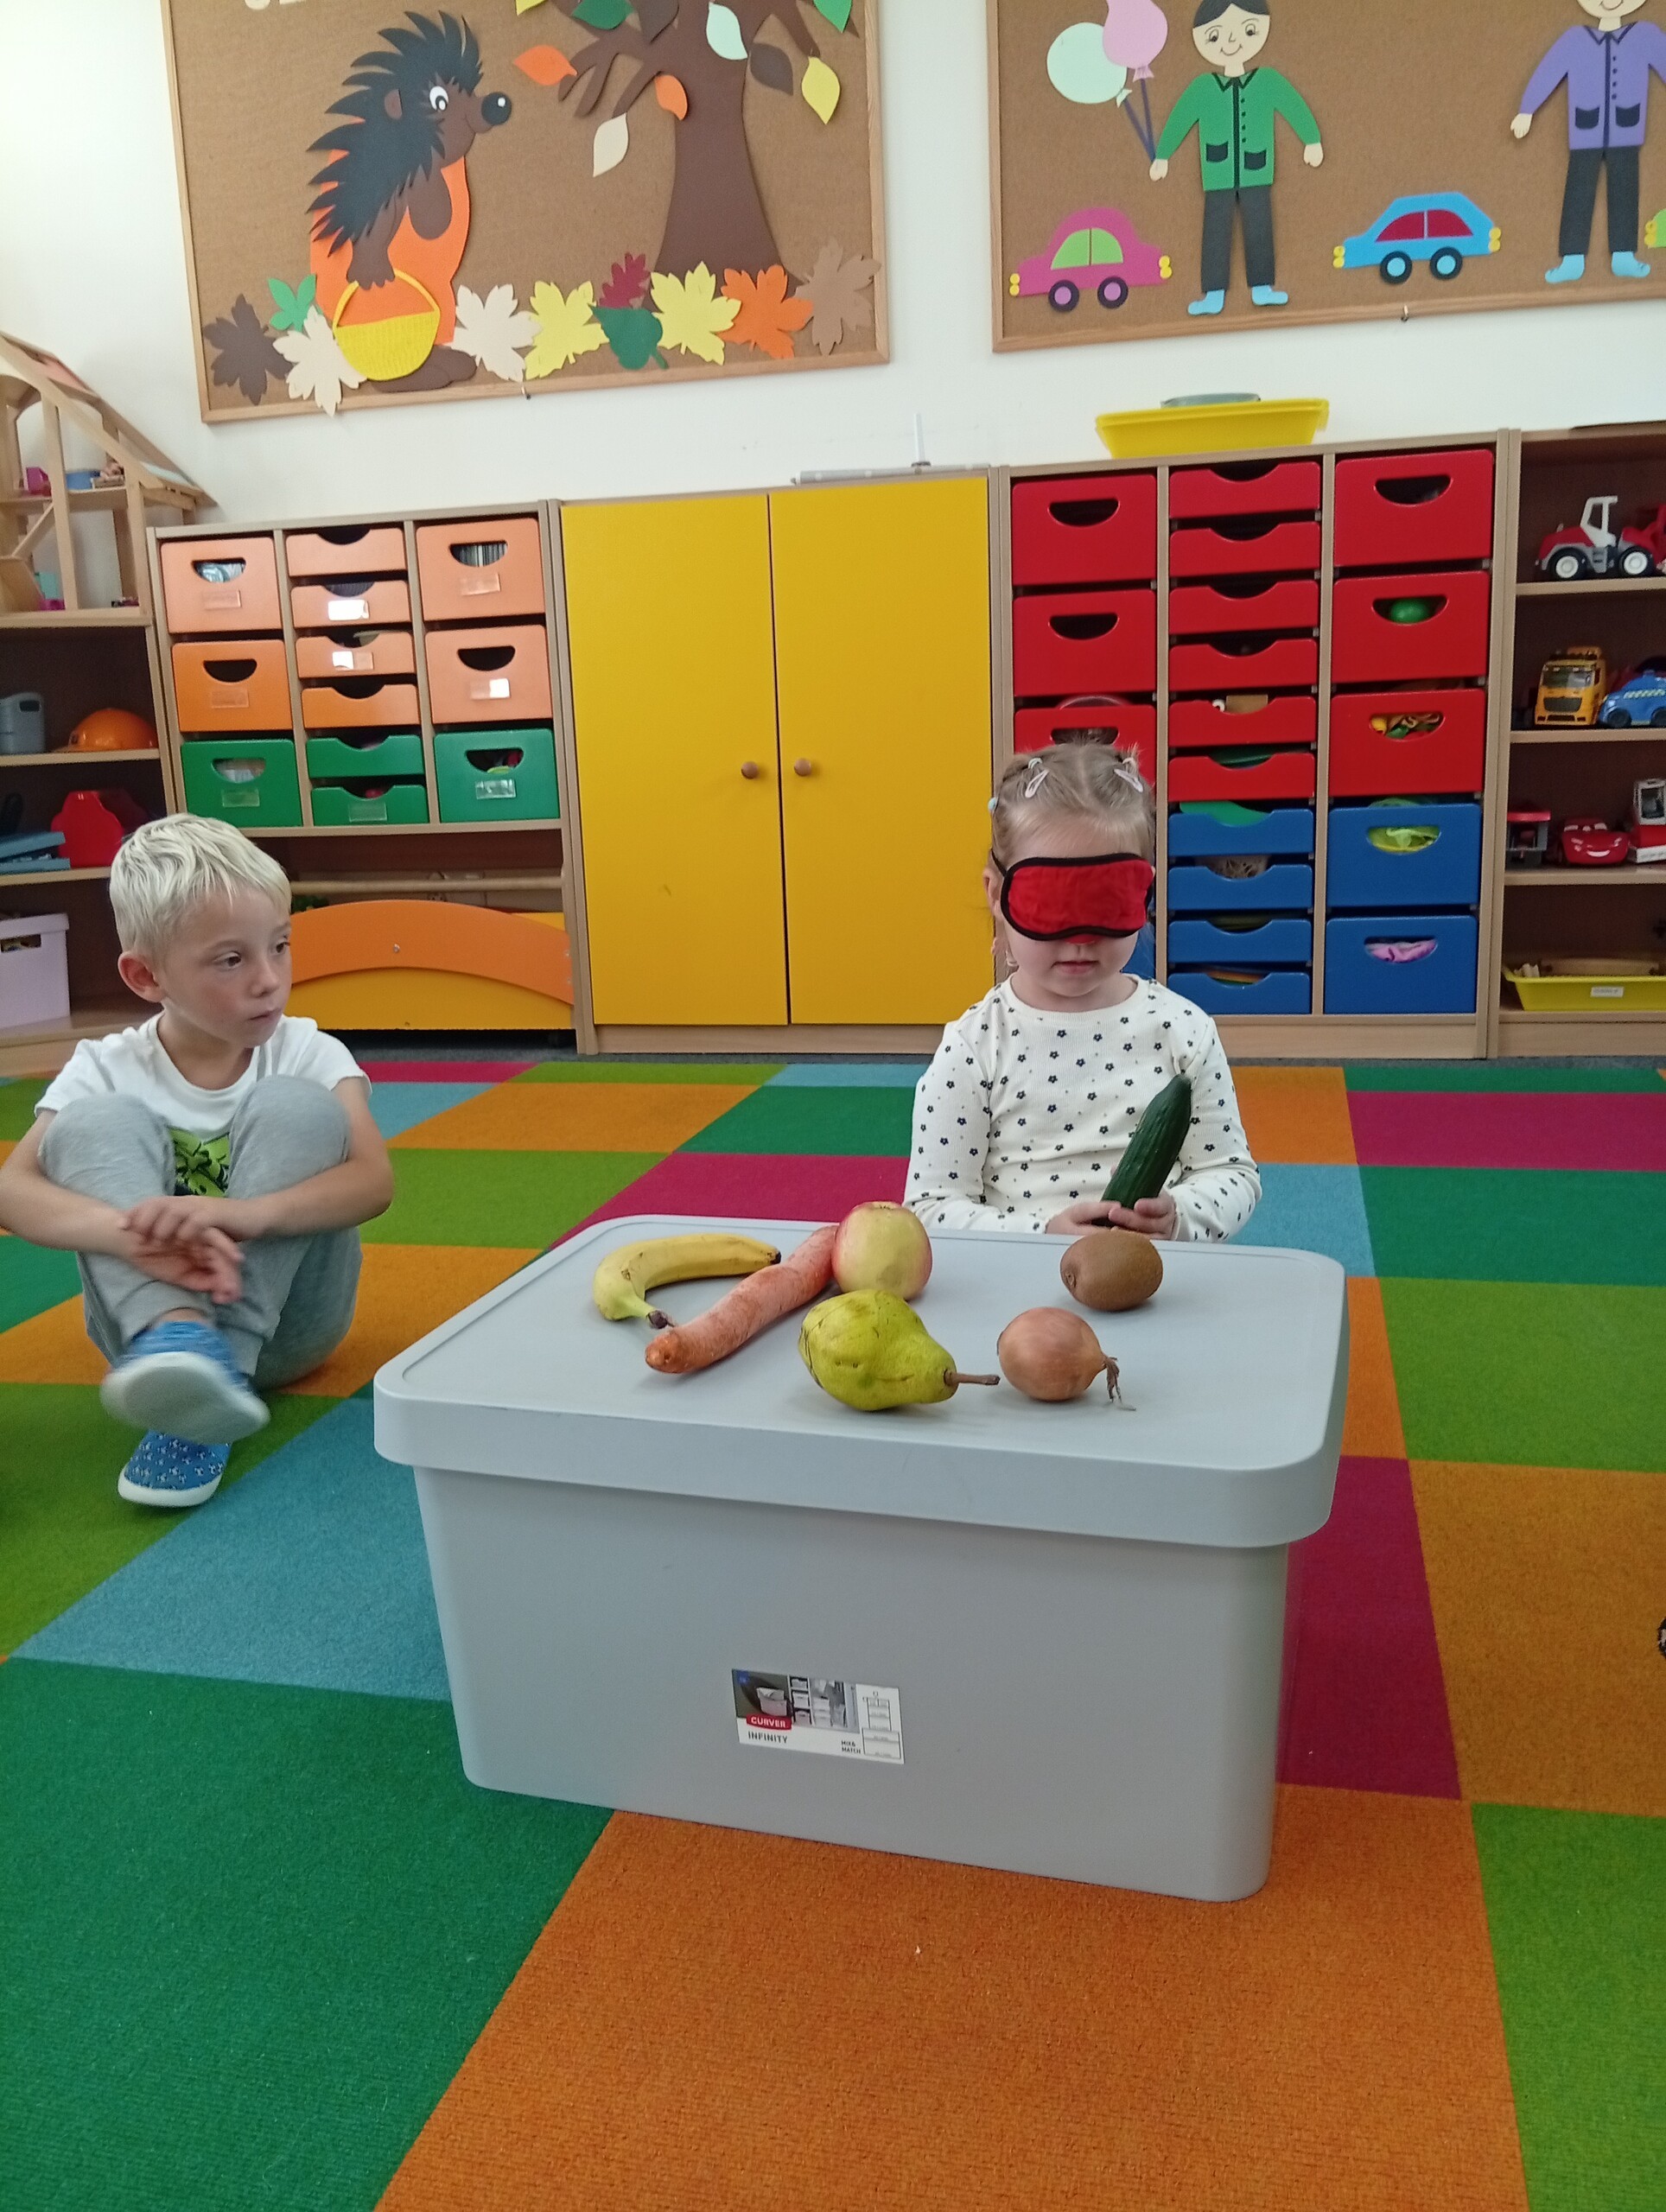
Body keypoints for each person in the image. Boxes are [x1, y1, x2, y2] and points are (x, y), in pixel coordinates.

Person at [0, 817, 393, 1509]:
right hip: (148, 1339)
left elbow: (373, 1181)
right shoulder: (104, 1066)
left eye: (279, 946)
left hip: (289, 1327)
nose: (268, 980)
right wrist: (134, 1236)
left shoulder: (307, 1051)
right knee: (90, 1122)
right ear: (146, 976)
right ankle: (185, 1344)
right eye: (230, 960)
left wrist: (247, 1216)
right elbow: (11, 1192)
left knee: (300, 1107)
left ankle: (218, 1374)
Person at [904, 747, 1261, 1243]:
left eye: (1106, 902)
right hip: (1024, 1280)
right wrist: (1041, 1233)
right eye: (1051, 905)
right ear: (996, 895)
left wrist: (1179, 1216)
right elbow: (930, 1208)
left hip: (1155, 1273)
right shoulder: (973, 1047)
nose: (1079, 939)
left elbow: (1232, 1174)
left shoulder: (1184, 1032)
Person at [1149, 0, 1324, 317]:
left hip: (1257, 169)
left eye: (1247, 31)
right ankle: (1214, 294)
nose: (1231, 42)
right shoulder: (1203, 87)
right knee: (1216, 231)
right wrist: (1163, 155)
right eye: (1216, 36)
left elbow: (1293, 106)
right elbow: (1180, 118)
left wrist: (1311, 139)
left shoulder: (1267, 80)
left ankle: (1262, 288)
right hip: (1217, 171)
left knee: (1259, 226)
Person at [1512, 0, 1666, 283]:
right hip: (1585, 131)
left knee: (1625, 190)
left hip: (1627, 129)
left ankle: (1623, 255)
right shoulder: (1575, 39)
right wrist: (1527, 109)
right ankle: (1572, 259)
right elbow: (1549, 70)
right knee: (1578, 192)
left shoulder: (1645, 35)